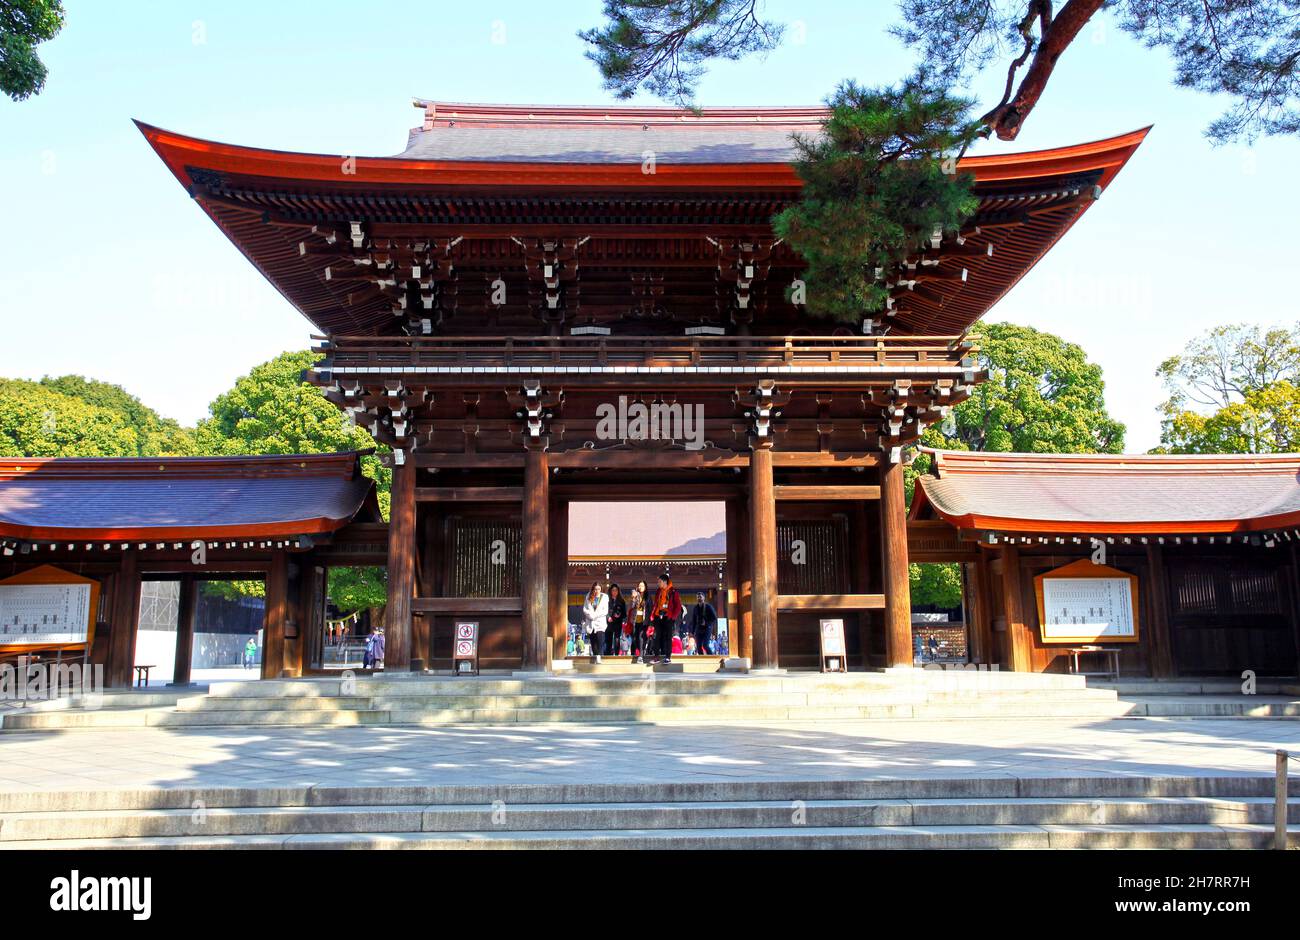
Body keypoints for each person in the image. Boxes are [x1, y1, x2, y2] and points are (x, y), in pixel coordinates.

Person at [647, 573, 682, 665]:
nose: (658, 583)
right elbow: (656, 604)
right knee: (656, 637)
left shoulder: (673, 591)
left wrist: (673, 617)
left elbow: (678, 606)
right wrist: (653, 615)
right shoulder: (658, 591)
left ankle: (667, 657)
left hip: (668, 617)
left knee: (668, 637)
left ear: (665, 582)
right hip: (658, 616)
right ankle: (656, 657)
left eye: (659, 582)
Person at [581, 581, 609, 664]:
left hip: (600, 622)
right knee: (593, 642)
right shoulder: (588, 596)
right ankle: (595, 656)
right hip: (590, 623)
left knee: (600, 640)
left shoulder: (604, 597)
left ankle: (599, 656)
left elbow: (605, 611)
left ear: (601, 589)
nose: (597, 591)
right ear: (593, 589)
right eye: (595, 589)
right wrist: (590, 615)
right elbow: (585, 609)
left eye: (599, 589)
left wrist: (595, 615)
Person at [629, 580, 649, 664]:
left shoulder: (647, 596)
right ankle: (640, 651)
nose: (641, 587)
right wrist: (633, 598)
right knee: (635, 638)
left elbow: (650, 608)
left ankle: (640, 656)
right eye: (639, 586)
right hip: (635, 620)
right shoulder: (635, 595)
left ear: (645, 587)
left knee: (641, 637)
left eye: (643, 586)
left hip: (644, 621)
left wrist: (650, 622)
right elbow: (631, 606)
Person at [605, 583, 627, 656]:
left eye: (616, 590)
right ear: (610, 591)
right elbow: (604, 611)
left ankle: (617, 655)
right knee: (608, 640)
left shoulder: (622, 601)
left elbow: (624, 614)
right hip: (608, 623)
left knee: (617, 640)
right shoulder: (607, 600)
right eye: (613, 590)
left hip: (617, 623)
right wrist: (608, 617)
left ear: (618, 591)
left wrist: (619, 615)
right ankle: (607, 655)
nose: (614, 592)